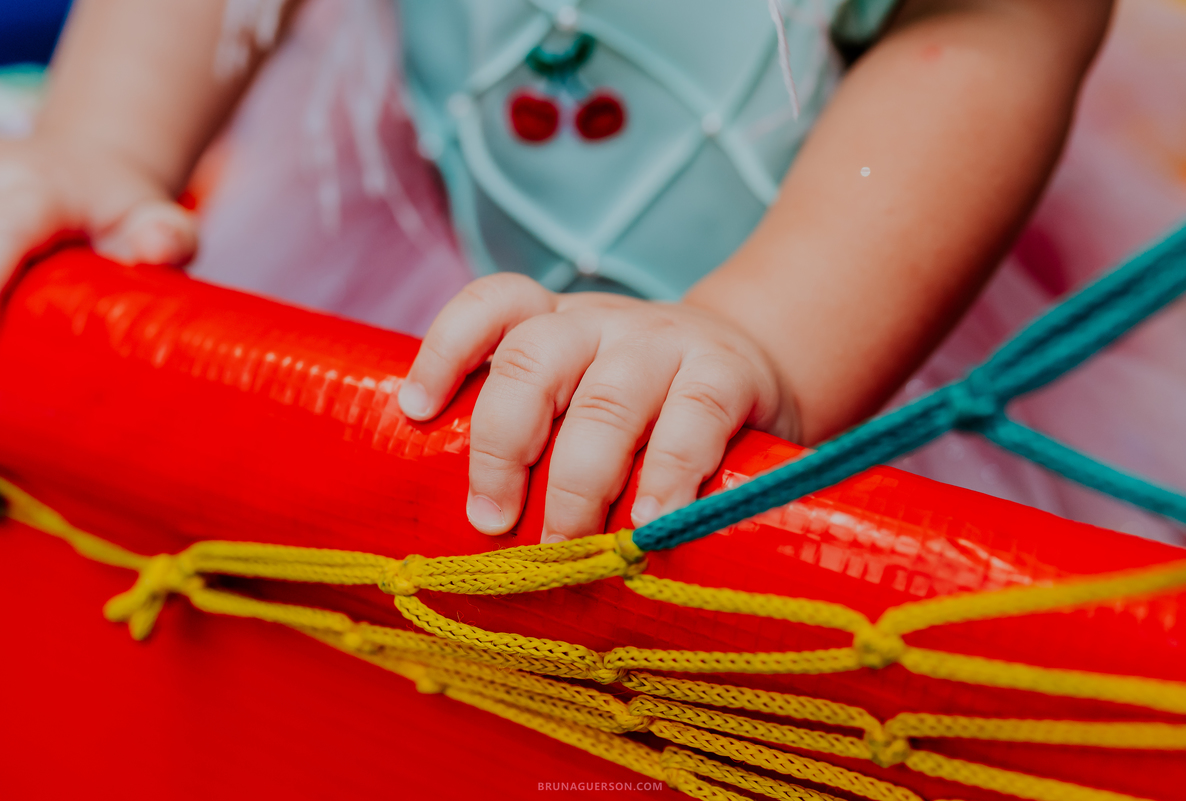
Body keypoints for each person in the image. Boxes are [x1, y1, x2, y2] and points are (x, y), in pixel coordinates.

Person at [0, 0, 1120, 544]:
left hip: (860, 287)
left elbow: (994, 24)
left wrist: (759, 331)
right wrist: (100, 144)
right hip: (430, 267)